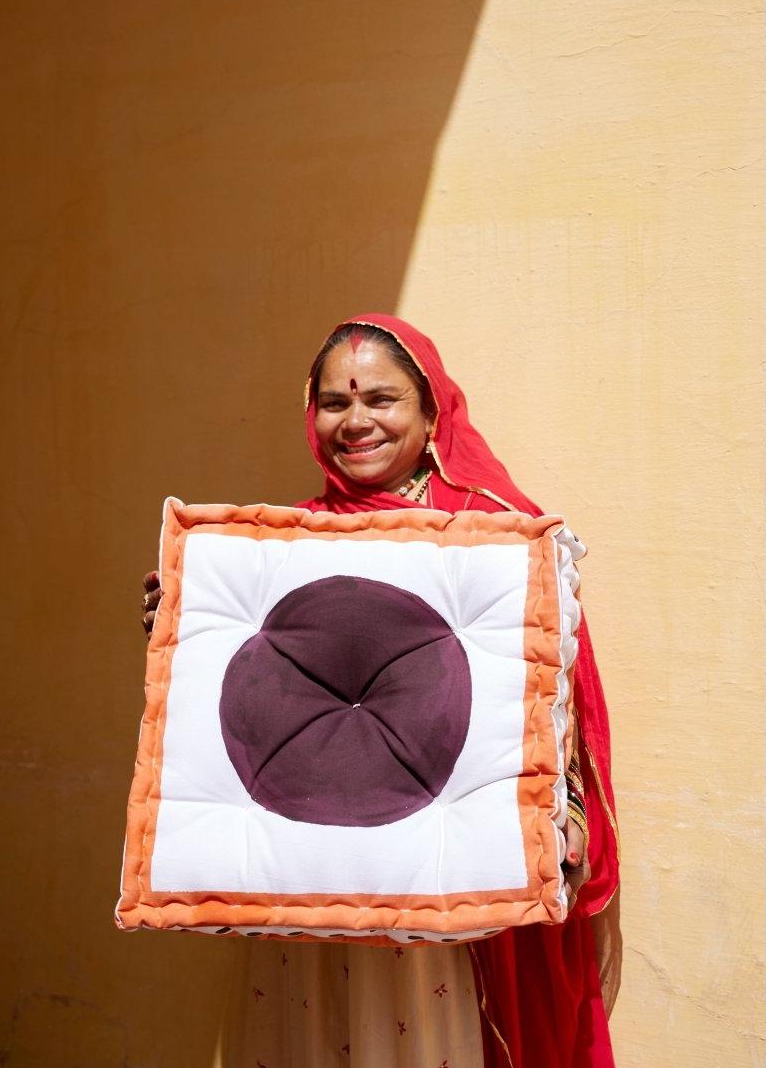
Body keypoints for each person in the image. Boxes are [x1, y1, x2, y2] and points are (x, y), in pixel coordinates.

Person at [141, 313, 621, 1067]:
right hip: (310, 889)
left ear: (432, 413)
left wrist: (565, 817)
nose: (356, 421)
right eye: (335, 403)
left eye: (382, 400)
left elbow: (553, 698)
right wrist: (198, 622)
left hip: (441, 902)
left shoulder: (494, 540)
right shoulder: (287, 548)